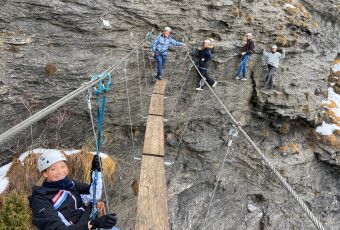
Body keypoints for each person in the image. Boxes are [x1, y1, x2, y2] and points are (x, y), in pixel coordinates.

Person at [28, 152, 118, 230]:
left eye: (62, 166)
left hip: (90, 222)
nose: (60, 172)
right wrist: (94, 224)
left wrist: (96, 173)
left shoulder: (69, 185)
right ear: (44, 173)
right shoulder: (41, 200)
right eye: (53, 169)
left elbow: (94, 194)